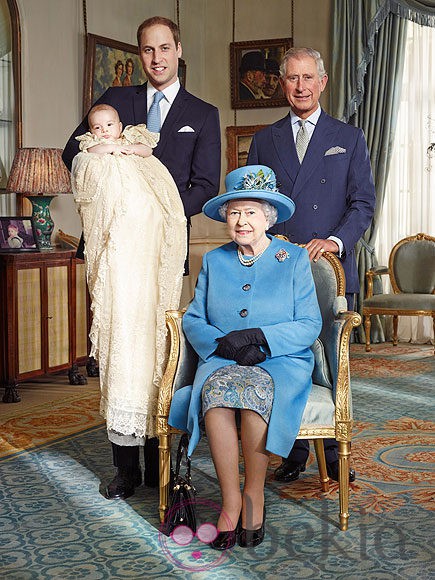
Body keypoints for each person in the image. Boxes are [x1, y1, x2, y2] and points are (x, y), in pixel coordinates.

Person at [62, 16, 221, 501]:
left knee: (160, 355)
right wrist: (108, 158)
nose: (156, 58)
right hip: (114, 257)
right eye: (148, 50)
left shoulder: (203, 112)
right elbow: (75, 151)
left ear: (178, 49)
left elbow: (205, 187)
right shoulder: (116, 101)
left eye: (164, 48)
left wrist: (159, 212)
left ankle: (161, 462)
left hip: (162, 253)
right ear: (140, 55)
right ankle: (124, 468)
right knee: (119, 353)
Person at [169, 164, 322, 549]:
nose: (241, 221)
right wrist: (222, 345)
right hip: (223, 358)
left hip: (280, 360)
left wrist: (259, 337)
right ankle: (230, 502)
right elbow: (193, 317)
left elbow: (309, 324)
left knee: (254, 396)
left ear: (267, 217)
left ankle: (254, 497)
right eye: (234, 212)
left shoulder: (295, 259)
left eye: (251, 212)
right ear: (226, 217)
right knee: (217, 397)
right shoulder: (216, 260)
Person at [247, 47, 376, 484]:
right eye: (292, 78)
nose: (300, 86)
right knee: (287, 358)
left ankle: (338, 454)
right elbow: (254, 205)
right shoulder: (265, 140)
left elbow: (363, 205)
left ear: (322, 82)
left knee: (333, 364)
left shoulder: (349, 137)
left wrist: (336, 241)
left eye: (308, 78)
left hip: (330, 270)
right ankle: (296, 449)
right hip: (280, 269)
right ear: (283, 84)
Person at [71, 102, 187, 500]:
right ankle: (126, 470)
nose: (104, 131)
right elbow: (89, 198)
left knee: (159, 366)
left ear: (120, 125)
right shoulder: (91, 158)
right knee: (124, 367)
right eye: (97, 127)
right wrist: (103, 151)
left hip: (155, 276)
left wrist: (129, 149)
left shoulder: (140, 149)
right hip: (120, 281)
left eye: (109, 125)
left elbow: (169, 200)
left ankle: (159, 467)